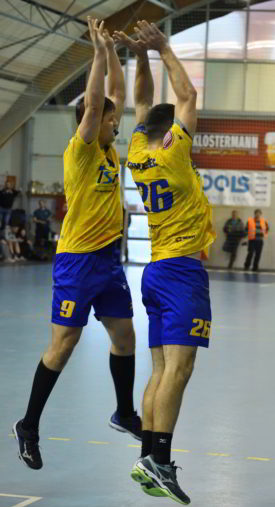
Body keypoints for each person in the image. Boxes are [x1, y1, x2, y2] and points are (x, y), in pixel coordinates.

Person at [12, 18, 140, 471]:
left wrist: (114, 52)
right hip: (77, 260)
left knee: (124, 337)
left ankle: (123, 412)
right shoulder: (82, 148)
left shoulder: (109, 149)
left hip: (108, 259)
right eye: (110, 119)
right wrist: (97, 54)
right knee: (63, 345)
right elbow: (96, 101)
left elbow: (115, 95)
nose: (116, 123)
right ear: (93, 120)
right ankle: (28, 425)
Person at [115, 20, 215, 505]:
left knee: (160, 371)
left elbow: (141, 103)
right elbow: (188, 95)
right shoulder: (174, 154)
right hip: (180, 272)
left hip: (155, 271)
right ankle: (159, 460)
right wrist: (163, 49)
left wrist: (140, 58)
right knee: (179, 369)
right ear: (170, 131)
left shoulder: (137, 151)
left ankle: (149, 458)